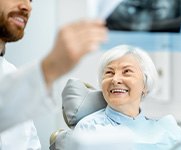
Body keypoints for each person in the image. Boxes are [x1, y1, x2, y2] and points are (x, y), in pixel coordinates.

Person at [0, 0, 107, 149]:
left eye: (31, 0)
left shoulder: (10, 72)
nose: (27, 6)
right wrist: (49, 68)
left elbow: (29, 143)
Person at [63, 45, 181, 150]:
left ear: (145, 84)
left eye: (127, 72)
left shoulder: (169, 130)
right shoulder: (90, 128)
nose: (115, 79)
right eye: (109, 72)